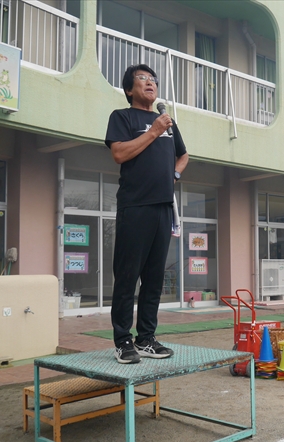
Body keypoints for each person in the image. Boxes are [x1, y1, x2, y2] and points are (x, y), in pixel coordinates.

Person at [105, 64, 189, 364]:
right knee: (128, 276)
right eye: (143, 79)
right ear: (130, 89)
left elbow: (183, 155)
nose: (150, 83)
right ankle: (122, 341)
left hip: (163, 207)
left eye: (153, 79)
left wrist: (174, 175)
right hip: (135, 205)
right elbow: (119, 153)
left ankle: (146, 339)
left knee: (154, 278)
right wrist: (154, 131)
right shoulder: (122, 117)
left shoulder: (167, 122)